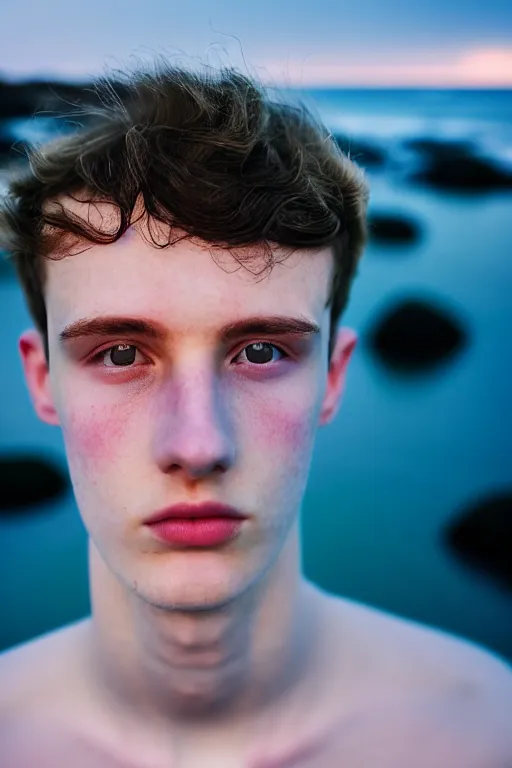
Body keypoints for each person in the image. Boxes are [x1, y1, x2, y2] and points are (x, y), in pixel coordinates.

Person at [0, 61, 511, 768]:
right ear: (42, 379)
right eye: (120, 354)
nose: (198, 444)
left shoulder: (482, 731)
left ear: (333, 377)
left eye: (262, 350)